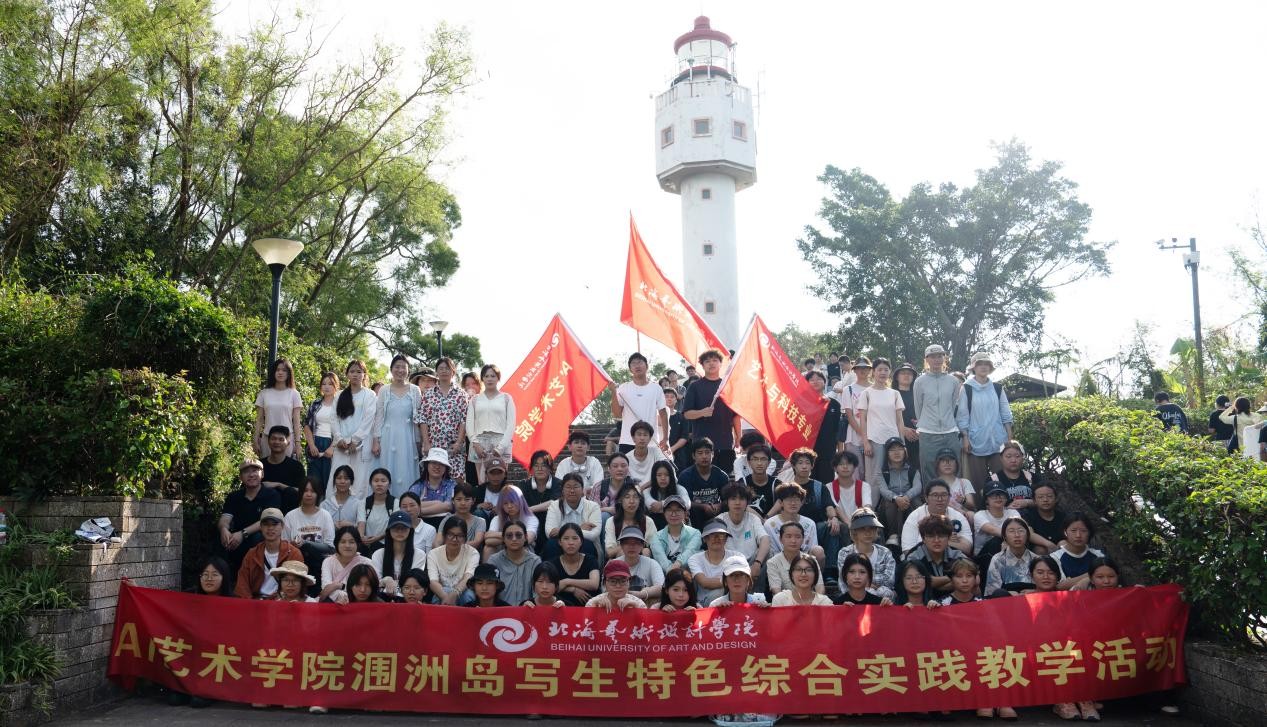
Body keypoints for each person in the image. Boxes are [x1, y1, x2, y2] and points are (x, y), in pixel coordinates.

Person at [956, 352, 1014, 498]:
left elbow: (1005, 413)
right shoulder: (967, 388)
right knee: (977, 482)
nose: (983, 367)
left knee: (1002, 478)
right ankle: (980, 509)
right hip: (975, 441)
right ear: (973, 368)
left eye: (986, 364)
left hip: (998, 441)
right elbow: (962, 416)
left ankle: (1005, 508)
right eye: (979, 364)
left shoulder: (997, 388)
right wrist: (965, 437)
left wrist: (1009, 438)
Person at [682, 349, 741, 474]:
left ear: (720, 364)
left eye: (715, 360)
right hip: (702, 445)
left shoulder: (727, 386)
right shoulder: (695, 386)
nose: (711, 363)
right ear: (702, 365)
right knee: (702, 478)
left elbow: (735, 416)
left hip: (725, 443)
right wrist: (702, 412)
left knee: (725, 478)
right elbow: (687, 414)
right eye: (707, 361)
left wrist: (739, 436)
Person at [371, 354, 422, 497]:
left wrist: (419, 442)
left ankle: (408, 504)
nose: (400, 370)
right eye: (397, 367)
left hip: (408, 438)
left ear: (408, 370)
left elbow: (418, 419)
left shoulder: (415, 390)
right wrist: (375, 441)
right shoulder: (384, 390)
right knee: (388, 469)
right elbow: (379, 416)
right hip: (388, 437)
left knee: (407, 469)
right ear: (391, 369)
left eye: (403, 367)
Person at [218, 457, 282, 571]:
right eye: (246, 472)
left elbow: (266, 520)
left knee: (257, 538)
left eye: (255, 471)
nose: (251, 475)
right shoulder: (233, 497)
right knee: (220, 539)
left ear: (262, 474)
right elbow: (225, 518)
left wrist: (243, 534)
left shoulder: (272, 495)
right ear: (240, 477)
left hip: (259, 538)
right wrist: (224, 529)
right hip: (236, 538)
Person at [913, 344, 961, 487]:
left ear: (944, 358)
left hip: (950, 431)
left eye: (940, 356)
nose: (937, 359)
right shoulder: (919, 381)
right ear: (927, 359)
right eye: (933, 356)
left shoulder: (953, 381)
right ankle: (931, 499)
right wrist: (926, 423)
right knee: (929, 470)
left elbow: (952, 404)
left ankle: (957, 499)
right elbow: (918, 407)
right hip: (928, 433)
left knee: (954, 468)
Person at [416, 356, 469, 484]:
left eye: (447, 368)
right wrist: (426, 443)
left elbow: (464, 420)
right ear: (437, 372)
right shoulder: (429, 394)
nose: (444, 371)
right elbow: (423, 419)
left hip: (454, 447)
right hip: (433, 446)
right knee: (433, 481)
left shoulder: (462, 394)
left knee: (457, 482)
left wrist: (458, 443)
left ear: (453, 371)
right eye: (441, 368)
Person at [330, 360, 377, 498]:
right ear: (347, 374)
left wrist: (354, 440)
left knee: (359, 483)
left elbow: (369, 419)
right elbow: (333, 418)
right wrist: (339, 438)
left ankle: (359, 511)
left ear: (364, 375)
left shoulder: (370, 395)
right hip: (341, 446)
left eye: (359, 372)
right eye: (352, 371)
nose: (355, 374)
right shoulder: (339, 395)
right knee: (338, 478)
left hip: (360, 446)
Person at [234, 508, 301, 599]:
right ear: (261, 527)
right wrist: (249, 603)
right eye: (266, 524)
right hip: (255, 602)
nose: (270, 528)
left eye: (275, 524)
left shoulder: (293, 553)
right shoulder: (252, 554)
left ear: (282, 526)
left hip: (282, 601)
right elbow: (242, 585)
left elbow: (297, 586)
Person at [466, 363, 516, 483]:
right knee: (482, 481)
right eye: (486, 376)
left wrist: (501, 447)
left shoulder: (506, 398)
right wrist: (475, 444)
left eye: (493, 376)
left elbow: (511, 424)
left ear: (498, 378)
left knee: (500, 480)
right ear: (482, 379)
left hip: (501, 442)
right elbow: (469, 424)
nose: (489, 379)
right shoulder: (475, 400)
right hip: (479, 444)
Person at [859, 358, 906, 481]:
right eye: (879, 370)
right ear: (873, 372)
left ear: (890, 372)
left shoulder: (895, 394)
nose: (883, 373)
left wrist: (902, 443)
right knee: (874, 476)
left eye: (886, 370)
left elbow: (900, 421)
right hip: (874, 440)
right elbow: (863, 420)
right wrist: (866, 442)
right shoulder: (866, 393)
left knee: (893, 474)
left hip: (893, 441)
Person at [284, 477, 336, 589]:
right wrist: (293, 545)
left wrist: (306, 544)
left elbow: (330, 547)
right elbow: (284, 544)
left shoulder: (325, 515)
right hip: (297, 563)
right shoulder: (290, 516)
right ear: (300, 493)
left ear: (318, 494)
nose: (309, 494)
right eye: (305, 491)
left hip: (320, 562)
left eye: (312, 491)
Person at [837, 507, 897, 600]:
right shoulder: (845, 553)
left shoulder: (885, 552)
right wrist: (870, 585)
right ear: (854, 531)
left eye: (871, 528)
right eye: (862, 528)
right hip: (853, 600)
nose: (867, 532)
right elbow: (844, 581)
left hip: (883, 600)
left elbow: (889, 581)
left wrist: (862, 582)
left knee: (884, 592)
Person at [715, 484, 771, 583]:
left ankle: (758, 590)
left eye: (741, 499)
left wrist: (757, 563)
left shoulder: (753, 518)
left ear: (747, 502)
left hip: (751, 564)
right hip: (728, 565)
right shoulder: (720, 520)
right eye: (733, 499)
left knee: (767, 552)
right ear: (727, 502)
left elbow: (765, 539)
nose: (737, 503)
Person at [899, 479, 972, 554]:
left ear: (949, 497)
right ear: (926, 498)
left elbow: (967, 548)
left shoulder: (957, 516)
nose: (940, 499)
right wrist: (947, 541)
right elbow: (907, 550)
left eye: (944, 495)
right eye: (935, 495)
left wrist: (932, 542)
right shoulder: (915, 516)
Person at [763, 484, 825, 570]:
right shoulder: (770, 524)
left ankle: (816, 577)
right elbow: (771, 552)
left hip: (804, 562)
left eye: (796, 499)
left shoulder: (810, 523)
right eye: (788, 499)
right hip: (779, 563)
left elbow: (812, 548)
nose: (793, 503)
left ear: (802, 502)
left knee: (819, 550)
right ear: (781, 502)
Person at [903, 514, 964, 600]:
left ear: (949, 537)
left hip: (952, 603)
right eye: (931, 536)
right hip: (924, 603)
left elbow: (974, 578)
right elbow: (921, 582)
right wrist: (954, 578)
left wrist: (934, 585)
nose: (936, 540)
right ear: (923, 538)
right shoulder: (914, 556)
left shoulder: (955, 554)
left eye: (941, 536)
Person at [543, 473, 601, 558]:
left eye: (576, 487)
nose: (572, 491)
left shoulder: (593, 506)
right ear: (562, 490)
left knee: (587, 544)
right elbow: (549, 532)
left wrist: (561, 531)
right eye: (568, 487)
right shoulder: (555, 506)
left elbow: (593, 535)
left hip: (585, 546)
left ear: (582, 489)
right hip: (560, 546)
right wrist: (580, 528)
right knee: (551, 544)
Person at [254, 357, 303, 459]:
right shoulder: (264, 393)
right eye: (277, 370)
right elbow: (259, 419)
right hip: (267, 439)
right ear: (273, 372)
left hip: (286, 440)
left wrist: (298, 443)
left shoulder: (294, 394)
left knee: (286, 468)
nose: (280, 373)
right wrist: (255, 440)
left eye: (284, 370)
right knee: (266, 468)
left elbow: (296, 421)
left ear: (289, 373)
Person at [876, 438, 922, 544]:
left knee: (916, 501)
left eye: (900, 449)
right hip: (890, 503)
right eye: (892, 450)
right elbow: (883, 490)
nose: (896, 452)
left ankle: (919, 532)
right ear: (887, 453)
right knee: (890, 502)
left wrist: (906, 497)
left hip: (909, 500)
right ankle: (893, 535)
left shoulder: (912, 470)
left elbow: (918, 487)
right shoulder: (883, 472)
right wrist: (896, 498)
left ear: (905, 451)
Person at [426, 518, 480, 605]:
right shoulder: (433, 554)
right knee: (440, 594)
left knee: (468, 595)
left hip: (463, 591)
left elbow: (468, 578)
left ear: (465, 538)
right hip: (442, 592)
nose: (454, 539)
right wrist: (446, 598)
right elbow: (433, 582)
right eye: (450, 534)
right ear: (444, 535)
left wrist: (454, 594)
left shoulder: (472, 553)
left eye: (460, 536)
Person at [688, 520, 742, 606]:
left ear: (726, 538)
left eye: (721, 535)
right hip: (705, 604)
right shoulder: (695, 559)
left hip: (733, 600)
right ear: (705, 539)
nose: (716, 538)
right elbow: (704, 582)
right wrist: (731, 580)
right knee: (719, 592)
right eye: (712, 535)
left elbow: (743, 580)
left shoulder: (737, 556)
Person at [487, 521, 541, 606]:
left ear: (526, 537)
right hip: (500, 611)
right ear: (503, 539)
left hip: (528, 609)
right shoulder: (494, 561)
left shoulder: (535, 561)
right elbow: (489, 592)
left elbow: (538, 594)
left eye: (518, 535)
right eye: (509, 536)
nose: (514, 539)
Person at [678, 438, 729, 528]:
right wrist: (703, 506)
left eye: (707, 452)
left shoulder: (722, 475)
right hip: (693, 520)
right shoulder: (685, 476)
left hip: (717, 518)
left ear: (712, 454)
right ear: (693, 456)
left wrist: (719, 505)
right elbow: (682, 501)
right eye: (700, 453)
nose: (704, 456)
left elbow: (729, 499)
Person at [303, 371, 340, 490]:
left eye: (330, 384)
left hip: (333, 444)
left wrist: (332, 447)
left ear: (336, 386)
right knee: (314, 483)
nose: (327, 387)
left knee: (330, 482)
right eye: (324, 384)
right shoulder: (315, 404)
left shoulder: (340, 405)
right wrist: (311, 445)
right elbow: (307, 425)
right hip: (316, 443)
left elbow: (344, 429)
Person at [766, 522, 824, 597]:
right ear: (780, 539)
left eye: (798, 537)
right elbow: (776, 590)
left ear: (803, 539)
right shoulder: (773, 562)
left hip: (810, 601)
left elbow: (820, 586)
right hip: (785, 601)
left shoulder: (811, 560)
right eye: (788, 536)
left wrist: (818, 601)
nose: (793, 541)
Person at [805, 369, 843, 483]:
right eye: (811, 380)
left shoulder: (834, 404)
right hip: (807, 450)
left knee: (826, 481)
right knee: (807, 481)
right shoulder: (801, 403)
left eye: (819, 379)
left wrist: (840, 451)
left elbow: (838, 430)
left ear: (825, 382)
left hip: (828, 450)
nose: (815, 381)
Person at [550, 522, 601, 606]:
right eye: (566, 538)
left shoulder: (591, 560)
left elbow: (594, 584)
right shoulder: (552, 564)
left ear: (581, 541)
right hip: (560, 609)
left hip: (588, 609)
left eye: (575, 538)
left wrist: (567, 581)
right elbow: (549, 588)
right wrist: (573, 589)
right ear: (559, 542)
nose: (571, 542)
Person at [839, 356, 873, 479]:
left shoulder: (875, 389)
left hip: (874, 436)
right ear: (854, 370)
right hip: (853, 436)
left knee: (872, 472)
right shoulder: (848, 390)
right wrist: (864, 436)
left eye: (865, 368)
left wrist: (868, 437)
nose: (862, 370)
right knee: (856, 472)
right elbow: (849, 415)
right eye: (859, 368)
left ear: (870, 370)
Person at [602, 483, 657, 558]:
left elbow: (655, 547)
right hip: (620, 560)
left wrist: (636, 548)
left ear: (639, 500)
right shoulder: (612, 521)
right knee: (622, 552)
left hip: (642, 559)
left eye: (635, 497)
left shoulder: (648, 521)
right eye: (627, 497)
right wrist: (630, 546)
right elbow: (609, 552)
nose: (632, 501)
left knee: (646, 551)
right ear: (620, 500)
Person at [371, 511, 418, 598]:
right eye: (395, 528)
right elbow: (375, 582)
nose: (400, 531)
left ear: (410, 530)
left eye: (404, 528)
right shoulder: (378, 554)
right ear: (389, 531)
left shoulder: (419, 554)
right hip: (383, 598)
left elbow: (417, 581)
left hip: (408, 598)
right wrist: (386, 580)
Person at [986, 517, 1038, 594]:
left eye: (1020, 531)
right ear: (1004, 536)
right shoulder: (998, 560)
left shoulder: (1036, 559)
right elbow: (992, 591)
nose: (1017, 535)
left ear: (1027, 535)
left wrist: (1035, 591)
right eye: (1011, 531)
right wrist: (1008, 594)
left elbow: (1045, 588)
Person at [319, 526, 373, 602]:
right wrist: (340, 595)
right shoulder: (328, 561)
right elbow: (326, 587)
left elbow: (374, 585)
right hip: (336, 603)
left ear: (358, 544)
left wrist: (338, 587)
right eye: (343, 542)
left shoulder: (366, 562)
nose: (347, 545)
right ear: (336, 544)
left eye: (351, 542)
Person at [649, 495, 700, 574]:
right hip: (665, 577)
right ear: (664, 513)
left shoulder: (695, 533)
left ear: (685, 513)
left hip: (688, 576)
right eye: (669, 510)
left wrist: (677, 564)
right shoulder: (656, 537)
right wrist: (672, 573)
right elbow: (661, 560)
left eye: (678, 510)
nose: (673, 514)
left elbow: (690, 552)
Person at [1052, 513, 1104, 589]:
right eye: (1073, 530)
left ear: (1089, 533)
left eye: (1083, 531)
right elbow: (1059, 586)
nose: (1078, 535)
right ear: (1065, 532)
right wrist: (1091, 574)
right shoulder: (1055, 557)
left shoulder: (1098, 555)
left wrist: (1085, 579)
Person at [486, 484, 540, 557]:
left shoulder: (531, 518)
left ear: (520, 501)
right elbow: (488, 539)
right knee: (488, 548)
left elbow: (528, 539)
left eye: (512, 502)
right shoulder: (497, 519)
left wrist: (504, 537)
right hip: (502, 551)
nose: (509, 506)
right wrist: (515, 536)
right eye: (505, 503)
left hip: (524, 550)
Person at [521, 450, 561, 547]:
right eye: (536, 465)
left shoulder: (559, 484)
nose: (540, 469)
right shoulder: (524, 484)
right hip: (529, 523)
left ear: (550, 468)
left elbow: (553, 502)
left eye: (544, 465)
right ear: (531, 468)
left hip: (551, 523)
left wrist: (529, 509)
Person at [614, 527, 665, 603]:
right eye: (627, 543)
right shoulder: (614, 564)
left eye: (636, 543)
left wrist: (643, 594)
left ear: (642, 545)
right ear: (621, 545)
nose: (631, 546)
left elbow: (661, 588)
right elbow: (605, 589)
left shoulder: (652, 564)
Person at [409, 448, 457, 528]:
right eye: (434, 463)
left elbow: (449, 506)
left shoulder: (452, 485)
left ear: (445, 468)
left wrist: (419, 511)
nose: (437, 467)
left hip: (445, 526)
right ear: (427, 465)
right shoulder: (418, 486)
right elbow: (410, 505)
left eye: (441, 464)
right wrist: (438, 503)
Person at [260, 426, 305, 511]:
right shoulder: (260, 466)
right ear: (268, 441)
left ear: (288, 442)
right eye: (273, 438)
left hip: (289, 512)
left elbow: (302, 492)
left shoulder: (296, 466)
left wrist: (279, 485)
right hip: (263, 511)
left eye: (281, 439)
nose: (277, 442)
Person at [434, 482, 487, 551]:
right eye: (458, 499)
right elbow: (438, 542)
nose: (463, 503)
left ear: (473, 501)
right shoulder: (447, 519)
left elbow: (476, 542)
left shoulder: (480, 521)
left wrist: (453, 548)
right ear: (453, 501)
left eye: (467, 499)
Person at [356, 468, 395, 553]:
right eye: (376, 481)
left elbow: (395, 527)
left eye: (383, 481)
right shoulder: (364, 503)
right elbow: (361, 523)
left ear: (389, 484)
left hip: (388, 546)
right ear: (370, 484)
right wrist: (362, 537)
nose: (379, 484)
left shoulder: (395, 502)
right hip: (367, 545)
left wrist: (378, 538)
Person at [989, 440, 1036, 509]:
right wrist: (1007, 509)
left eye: (1017, 456)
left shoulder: (1032, 477)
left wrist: (1027, 502)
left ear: (1022, 458)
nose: (1013, 460)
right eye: (1008, 456)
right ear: (1001, 458)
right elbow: (987, 506)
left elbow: (1044, 500)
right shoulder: (992, 480)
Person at [643, 460, 689, 530]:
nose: (663, 478)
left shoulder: (679, 488)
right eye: (659, 475)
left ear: (671, 476)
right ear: (654, 477)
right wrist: (677, 507)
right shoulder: (647, 491)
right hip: (656, 526)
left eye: (667, 475)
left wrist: (662, 504)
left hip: (676, 522)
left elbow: (687, 503)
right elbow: (652, 506)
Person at [1022, 483, 1066, 553]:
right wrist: (1048, 544)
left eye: (1049, 496)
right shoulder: (1029, 515)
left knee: (1064, 544)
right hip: (1039, 551)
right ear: (1034, 501)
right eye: (1040, 497)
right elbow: (1029, 533)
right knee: (1040, 549)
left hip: (1059, 549)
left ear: (1056, 499)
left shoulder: (1063, 516)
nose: (1045, 500)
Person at [738, 441, 779, 515]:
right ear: (749, 462)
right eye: (755, 459)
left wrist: (767, 518)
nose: (759, 463)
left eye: (763, 459)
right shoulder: (742, 483)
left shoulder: (777, 484)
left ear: (769, 462)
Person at [893, 362, 921, 465]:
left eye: (909, 373)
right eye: (903, 373)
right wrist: (903, 429)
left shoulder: (919, 394)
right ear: (897, 377)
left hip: (919, 437)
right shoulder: (891, 394)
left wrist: (920, 430)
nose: (906, 375)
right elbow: (886, 417)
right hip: (897, 438)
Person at [933, 448, 976, 515]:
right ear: (937, 464)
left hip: (962, 517)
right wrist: (957, 510)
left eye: (951, 460)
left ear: (956, 463)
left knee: (971, 514)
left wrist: (963, 501)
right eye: (943, 460)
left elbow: (972, 507)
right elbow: (932, 505)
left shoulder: (965, 482)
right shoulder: (933, 484)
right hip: (941, 516)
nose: (947, 463)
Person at [626, 420, 670, 484]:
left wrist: (644, 487)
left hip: (655, 488)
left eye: (645, 435)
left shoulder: (656, 452)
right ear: (633, 438)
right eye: (639, 434)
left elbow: (667, 469)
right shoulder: (626, 458)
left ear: (650, 438)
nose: (642, 438)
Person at [395, 491, 437, 556]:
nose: (408, 509)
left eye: (412, 505)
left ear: (419, 507)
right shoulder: (395, 528)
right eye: (404, 506)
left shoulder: (429, 530)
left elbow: (429, 556)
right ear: (400, 509)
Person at [321, 465, 359, 531]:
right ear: (334, 481)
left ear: (351, 481)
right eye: (339, 478)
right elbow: (319, 526)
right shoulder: (325, 504)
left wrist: (350, 525)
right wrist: (332, 525)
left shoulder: (357, 504)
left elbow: (362, 527)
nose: (342, 481)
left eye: (346, 478)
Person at [474, 454, 511, 521]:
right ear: (486, 474)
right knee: (478, 513)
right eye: (492, 473)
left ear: (505, 474)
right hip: (482, 523)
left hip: (502, 523)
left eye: (499, 473)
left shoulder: (510, 491)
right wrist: (479, 506)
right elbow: (469, 508)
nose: (496, 476)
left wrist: (501, 509)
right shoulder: (478, 490)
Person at [665, 388, 691, 469]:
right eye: (666, 396)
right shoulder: (656, 416)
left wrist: (671, 450)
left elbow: (684, 437)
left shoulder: (682, 416)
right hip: (660, 452)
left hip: (679, 453)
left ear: (676, 400)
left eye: (672, 397)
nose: (669, 399)